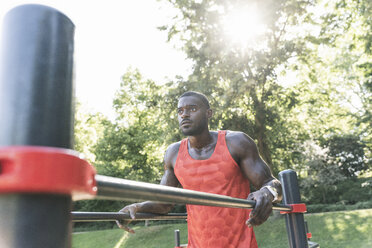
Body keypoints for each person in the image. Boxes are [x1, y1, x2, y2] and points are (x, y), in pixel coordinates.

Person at [117, 91, 283, 248]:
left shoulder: (236, 142)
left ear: (208, 113)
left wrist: (267, 192)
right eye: (180, 111)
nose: (184, 114)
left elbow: (272, 183)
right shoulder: (173, 153)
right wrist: (137, 207)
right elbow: (163, 203)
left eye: (192, 109)